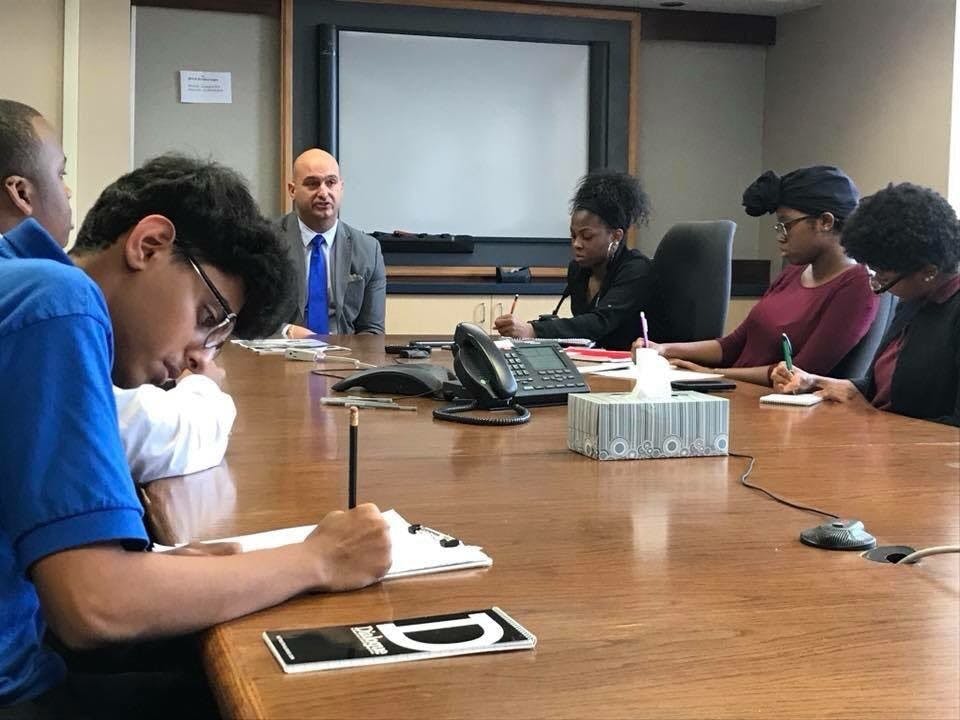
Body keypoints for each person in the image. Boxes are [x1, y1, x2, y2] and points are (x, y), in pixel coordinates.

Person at [0, 152, 392, 717]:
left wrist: (157, 567)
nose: (195, 358)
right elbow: (96, 605)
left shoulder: (22, 284)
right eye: (208, 318)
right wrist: (318, 560)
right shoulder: (59, 302)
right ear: (150, 244)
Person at [0, 99, 235, 484]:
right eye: (61, 174)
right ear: (22, 194)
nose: (70, 190)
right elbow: (111, 432)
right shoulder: (53, 297)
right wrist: (206, 397)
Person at [634, 166, 880, 385]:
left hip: (776, 410)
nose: (780, 236)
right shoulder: (794, 272)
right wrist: (663, 349)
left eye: (786, 224)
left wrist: (711, 374)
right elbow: (732, 345)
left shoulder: (857, 287)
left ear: (825, 221)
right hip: (737, 391)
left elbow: (798, 373)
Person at [773, 182, 960, 426]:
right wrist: (818, 382)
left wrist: (873, 417)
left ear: (928, 271)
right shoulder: (916, 299)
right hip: (884, 446)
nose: (878, 284)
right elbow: (885, 388)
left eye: (884, 277)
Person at [494, 170, 654, 350]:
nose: (577, 244)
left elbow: (599, 323)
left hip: (631, 366)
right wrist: (524, 329)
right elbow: (581, 328)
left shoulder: (636, 269)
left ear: (615, 236)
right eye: (573, 236)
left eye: (587, 236)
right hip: (593, 362)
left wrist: (533, 330)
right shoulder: (578, 270)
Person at [277, 148, 386, 338]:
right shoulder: (264, 242)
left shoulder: (369, 250)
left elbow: (372, 329)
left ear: (340, 187)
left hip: (345, 360)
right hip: (279, 358)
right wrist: (289, 332)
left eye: (331, 182)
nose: (323, 192)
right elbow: (248, 320)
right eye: (312, 184)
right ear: (292, 190)